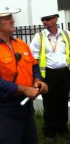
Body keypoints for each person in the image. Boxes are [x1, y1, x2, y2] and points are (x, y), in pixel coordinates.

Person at [0, 3, 48, 144]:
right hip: (4, 109)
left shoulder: (21, 44)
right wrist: (24, 89)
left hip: (25, 108)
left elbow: (34, 65)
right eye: (8, 17)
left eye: (11, 17)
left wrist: (38, 80)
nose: (13, 20)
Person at [30, 12, 70, 143]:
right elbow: (33, 57)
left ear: (55, 19)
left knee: (63, 101)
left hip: (65, 73)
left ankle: (62, 128)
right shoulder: (39, 37)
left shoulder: (66, 35)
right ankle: (49, 131)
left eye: (47, 19)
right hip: (48, 74)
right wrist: (37, 78)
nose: (44, 22)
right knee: (49, 103)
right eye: (42, 19)